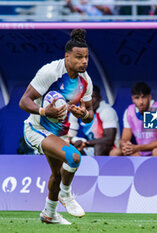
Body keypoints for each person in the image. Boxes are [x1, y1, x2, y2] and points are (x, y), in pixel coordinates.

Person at [19, 29, 93, 225]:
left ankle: (49, 214)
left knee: (57, 174)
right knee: (74, 157)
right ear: (67, 57)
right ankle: (66, 195)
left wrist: (83, 114)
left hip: (59, 133)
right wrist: (44, 112)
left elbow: (89, 115)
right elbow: (24, 101)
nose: (84, 61)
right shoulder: (50, 72)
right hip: (36, 129)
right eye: (79, 57)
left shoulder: (86, 81)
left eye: (86, 57)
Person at [109, 82, 157, 157]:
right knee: (115, 152)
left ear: (149, 97)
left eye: (143, 97)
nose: (141, 102)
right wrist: (125, 145)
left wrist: (137, 148)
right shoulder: (129, 111)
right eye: (137, 98)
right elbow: (124, 139)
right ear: (132, 99)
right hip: (142, 152)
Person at [68, 85, 120, 156]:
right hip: (89, 146)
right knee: (72, 148)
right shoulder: (76, 111)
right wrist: (77, 141)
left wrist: (85, 142)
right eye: (87, 97)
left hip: (109, 149)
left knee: (99, 146)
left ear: (99, 98)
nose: (90, 101)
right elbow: (69, 137)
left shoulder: (106, 111)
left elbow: (109, 139)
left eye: (93, 97)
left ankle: (99, 166)